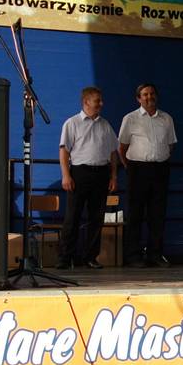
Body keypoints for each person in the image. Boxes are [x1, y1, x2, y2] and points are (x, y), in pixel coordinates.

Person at [57, 86, 118, 269]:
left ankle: (90, 257)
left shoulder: (105, 125)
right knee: (72, 216)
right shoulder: (72, 123)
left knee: (96, 218)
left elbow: (113, 153)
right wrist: (66, 175)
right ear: (86, 102)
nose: (101, 103)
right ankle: (65, 257)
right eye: (97, 100)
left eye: (101, 100)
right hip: (79, 173)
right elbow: (64, 151)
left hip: (101, 174)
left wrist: (113, 176)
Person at [118, 83, 176, 267]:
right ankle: (133, 255)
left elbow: (171, 145)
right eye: (144, 94)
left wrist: (159, 158)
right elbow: (122, 147)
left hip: (160, 170)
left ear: (156, 96)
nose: (149, 97)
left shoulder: (167, 118)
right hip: (137, 169)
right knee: (135, 213)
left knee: (157, 214)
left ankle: (155, 254)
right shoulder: (130, 118)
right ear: (138, 98)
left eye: (151, 93)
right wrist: (129, 166)